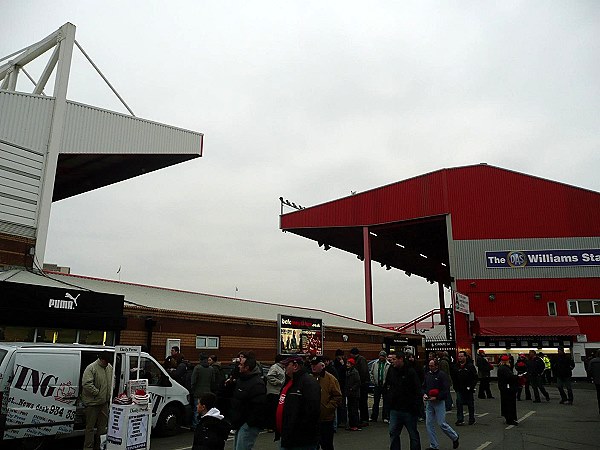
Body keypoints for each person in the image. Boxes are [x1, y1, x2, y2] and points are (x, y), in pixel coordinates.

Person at [275, 355, 321, 450]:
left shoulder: (308, 383)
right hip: (286, 436)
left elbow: (312, 411)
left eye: (287, 365)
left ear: (295, 366)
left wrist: (296, 429)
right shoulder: (289, 382)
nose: (284, 367)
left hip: (301, 440)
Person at [229, 351, 267, 450]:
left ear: (247, 368)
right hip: (241, 422)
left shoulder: (257, 383)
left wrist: (249, 423)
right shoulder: (241, 380)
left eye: (241, 365)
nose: (238, 366)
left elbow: (258, 406)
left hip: (248, 424)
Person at [385, 351, 421, 450]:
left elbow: (417, 389)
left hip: (409, 409)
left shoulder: (410, 371)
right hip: (395, 408)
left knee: (413, 434)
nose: (392, 362)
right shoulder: (391, 370)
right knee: (393, 433)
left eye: (394, 359)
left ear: (401, 359)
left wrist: (417, 407)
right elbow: (388, 386)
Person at [423, 358, 459, 450]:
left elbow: (445, 389)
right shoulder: (428, 375)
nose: (430, 367)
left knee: (441, 423)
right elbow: (424, 386)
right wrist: (424, 394)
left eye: (432, 366)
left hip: (439, 402)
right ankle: (434, 445)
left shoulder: (442, 375)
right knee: (429, 424)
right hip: (430, 402)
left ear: (436, 366)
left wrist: (438, 397)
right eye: (429, 366)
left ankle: (454, 436)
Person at [82, 350, 113, 450]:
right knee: (90, 428)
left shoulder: (109, 367)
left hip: (104, 403)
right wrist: (97, 393)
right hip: (92, 403)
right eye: (106, 361)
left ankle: (100, 447)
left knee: (102, 428)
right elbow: (86, 383)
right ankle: (88, 448)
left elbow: (113, 380)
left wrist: (110, 392)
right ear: (101, 359)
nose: (107, 363)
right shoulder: (91, 368)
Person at [310, 355, 342, 450]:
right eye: (312, 364)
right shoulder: (309, 378)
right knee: (313, 445)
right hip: (312, 419)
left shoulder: (330, 379)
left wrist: (327, 408)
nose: (313, 367)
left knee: (327, 445)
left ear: (322, 365)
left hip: (326, 420)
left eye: (316, 365)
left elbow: (338, 396)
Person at [451, 351, 477, 426]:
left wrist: (471, 386)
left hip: (468, 389)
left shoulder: (470, 366)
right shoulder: (455, 367)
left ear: (465, 357)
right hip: (459, 389)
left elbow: (475, 377)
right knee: (459, 403)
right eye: (459, 356)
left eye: (462, 356)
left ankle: (471, 419)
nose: (460, 358)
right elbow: (454, 377)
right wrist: (455, 387)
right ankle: (460, 419)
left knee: (470, 404)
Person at [191, 353, 214, 430]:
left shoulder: (197, 368)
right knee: (207, 410)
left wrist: (193, 389)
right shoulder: (211, 369)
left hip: (198, 392)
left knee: (196, 410)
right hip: (208, 392)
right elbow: (213, 381)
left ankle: (196, 425)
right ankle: (205, 425)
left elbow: (193, 381)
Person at [349, 347, 370, 426]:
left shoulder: (361, 360)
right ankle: (363, 418)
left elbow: (363, 372)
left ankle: (364, 419)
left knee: (363, 402)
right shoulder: (359, 359)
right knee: (361, 402)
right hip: (361, 384)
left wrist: (360, 382)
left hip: (363, 384)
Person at [266, 354, 286, 431]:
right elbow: (270, 376)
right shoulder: (275, 367)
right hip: (273, 392)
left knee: (275, 410)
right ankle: (270, 426)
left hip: (278, 391)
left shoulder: (281, 368)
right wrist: (279, 382)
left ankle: (274, 425)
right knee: (272, 410)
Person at [497, 355, 518, 426]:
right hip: (508, 389)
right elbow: (510, 378)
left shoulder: (501, 368)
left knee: (505, 403)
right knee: (509, 404)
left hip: (503, 388)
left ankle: (508, 417)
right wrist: (517, 377)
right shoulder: (505, 369)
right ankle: (510, 419)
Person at [370, 350, 390, 423]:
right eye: (380, 356)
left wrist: (387, 383)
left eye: (383, 356)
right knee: (376, 402)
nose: (381, 358)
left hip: (384, 385)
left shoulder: (388, 364)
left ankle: (385, 416)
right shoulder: (375, 364)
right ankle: (374, 417)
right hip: (377, 384)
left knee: (386, 402)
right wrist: (373, 381)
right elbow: (371, 373)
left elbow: (389, 375)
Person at [345, 357, 361, 431]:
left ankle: (356, 424)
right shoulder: (348, 372)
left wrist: (352, 388)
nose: (347, 365)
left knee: (354, 410)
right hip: (349, 393)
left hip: (354, 394)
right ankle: (351, 424)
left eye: (348, 363)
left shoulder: (355, 372)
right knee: (350, 409)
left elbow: (358, 382)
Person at [333, 349, 347, 428]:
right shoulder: (335, 363)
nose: (340, 357)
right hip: (338, 384)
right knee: (338, 404)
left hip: (342, 385)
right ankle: (339, 420)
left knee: (342, 404)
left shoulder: (344, 362)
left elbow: (345, 372)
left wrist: (343, 365)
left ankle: (343, 420)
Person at [589, 349, 600, 415]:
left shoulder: (593, 361)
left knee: (599, 395)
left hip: (597, 380)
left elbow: (589, 370)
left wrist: (591, 378)